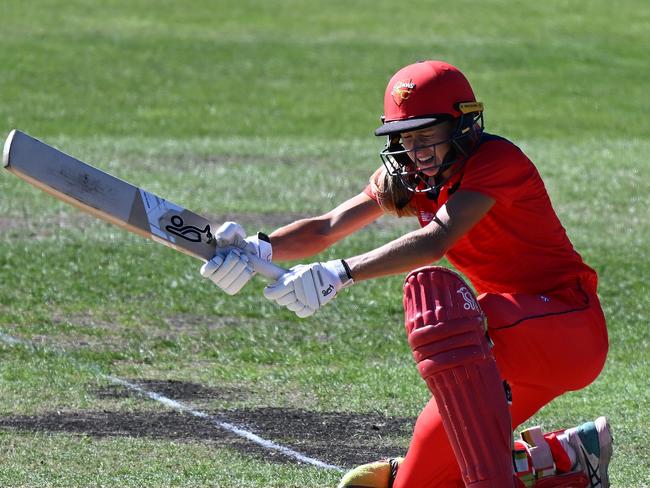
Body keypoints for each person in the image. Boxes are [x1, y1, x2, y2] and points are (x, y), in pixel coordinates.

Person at [200, 60, 612, 487]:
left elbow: (436, 240)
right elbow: (327, 227)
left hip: (566, 328)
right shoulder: (412, 176)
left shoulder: (497, 160)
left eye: (426, 134)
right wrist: (257, 248)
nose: (415, 150)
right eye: (405, 137)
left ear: (462, 126)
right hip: (497, 349)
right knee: (415, 485)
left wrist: (340, 273)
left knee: (450, 317)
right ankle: (567, 458)